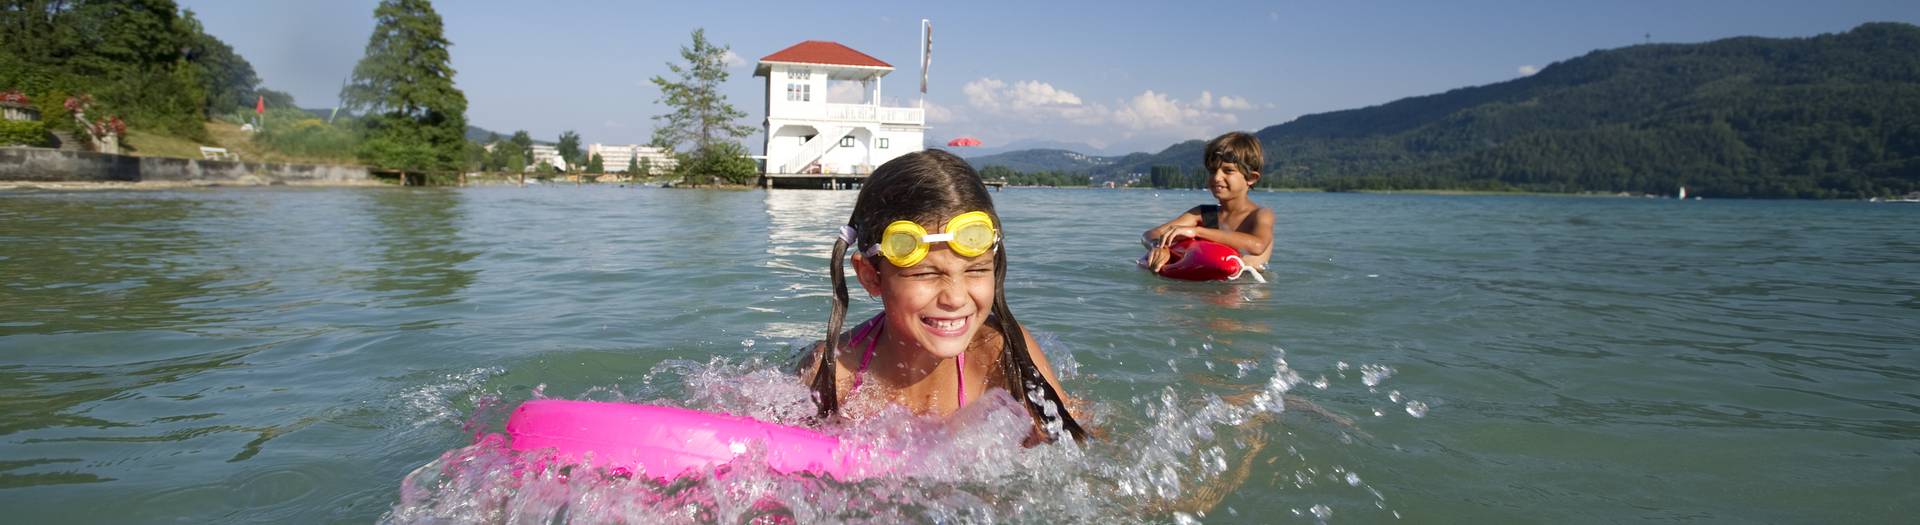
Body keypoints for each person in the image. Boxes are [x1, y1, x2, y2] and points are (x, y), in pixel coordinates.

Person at [797, 149, 1088, 443]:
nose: (955, 298)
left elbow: (1078, 444)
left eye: (976, 270)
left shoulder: (1003, 352)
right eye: (926, 274)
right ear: (872, 277)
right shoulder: (835, 372)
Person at [1143, 131, 1274, 273]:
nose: (1217, 177)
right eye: (1212, 171)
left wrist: (1196, 232)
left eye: (1228, 171)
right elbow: (1150, 234)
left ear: (1251, 178)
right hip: (1207, 289)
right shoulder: (1202, 214)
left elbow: (1258, 245)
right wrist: (1160, 247)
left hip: (1247, 290)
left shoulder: (1260, 215)